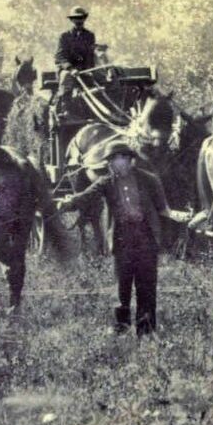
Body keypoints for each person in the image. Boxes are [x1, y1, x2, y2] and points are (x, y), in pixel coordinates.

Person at [56, 140, 180, 335]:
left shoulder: (149, 179)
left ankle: (146, 327)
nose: (114, 164)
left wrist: (178, 219)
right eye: (112, 160)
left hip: (146, 236)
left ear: (130, 160)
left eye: (118, 159)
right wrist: (67, 203)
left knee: (146, 284)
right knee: (122, 284)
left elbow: (163, 209)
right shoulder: (106, 182)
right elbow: (86, 196)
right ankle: (121, 326)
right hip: (122, 238)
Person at [55, 8, 100, 73]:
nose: (79, 21)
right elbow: (60, 56)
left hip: (85, 70)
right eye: (76, 18)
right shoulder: (64, 36)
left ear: (84, 19)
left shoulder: (90, 35)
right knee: (67, 77)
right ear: (71, 20)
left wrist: (89, 69)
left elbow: (90, 56)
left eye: (81, 18)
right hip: (67, 70)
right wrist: (71, 69)